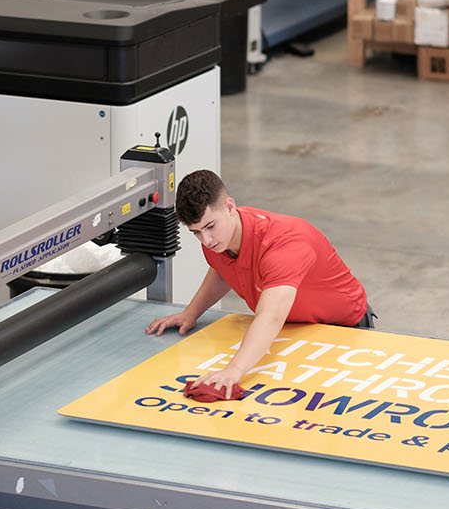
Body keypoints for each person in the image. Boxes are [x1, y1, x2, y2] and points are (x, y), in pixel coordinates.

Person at [145, 169, 371, 395]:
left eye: (210, 227)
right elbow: (223, 270)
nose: (206, 240)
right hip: (297, 331)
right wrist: (190, 313)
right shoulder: (221, 237)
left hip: (345, 330)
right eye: (196, 232)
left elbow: (270, 316)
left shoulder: (283, 247)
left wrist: (233, 371)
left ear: (230, 206)